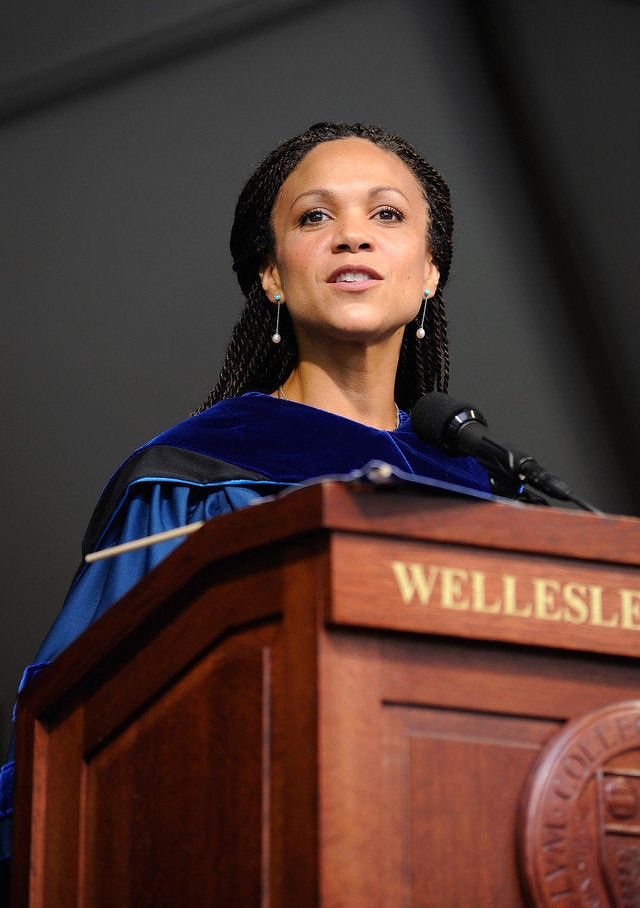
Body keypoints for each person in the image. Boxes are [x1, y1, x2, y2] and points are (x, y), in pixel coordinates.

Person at [0, 121, 491, 878]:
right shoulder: (192, 475)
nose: (352, 237)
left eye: (386, 214)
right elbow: (78, 720)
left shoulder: (480, 488)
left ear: (429, 270)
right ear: (269, 274)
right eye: (314, 217)